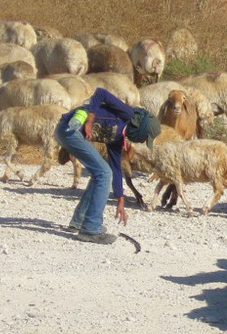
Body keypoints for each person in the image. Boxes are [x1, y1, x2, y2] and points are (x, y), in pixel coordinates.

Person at [55, 88, 160, 244]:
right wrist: (90, 119)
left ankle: (80, 221)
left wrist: (120, 199)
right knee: (103, 174)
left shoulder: (119, 138)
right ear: (141, 128)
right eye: (144, 137)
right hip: (70, 129)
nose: (141, 141)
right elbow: (100, 93)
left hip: (69, 132)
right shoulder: (128, 114)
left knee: (102, 172)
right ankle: (90, 229)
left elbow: (116, 168)